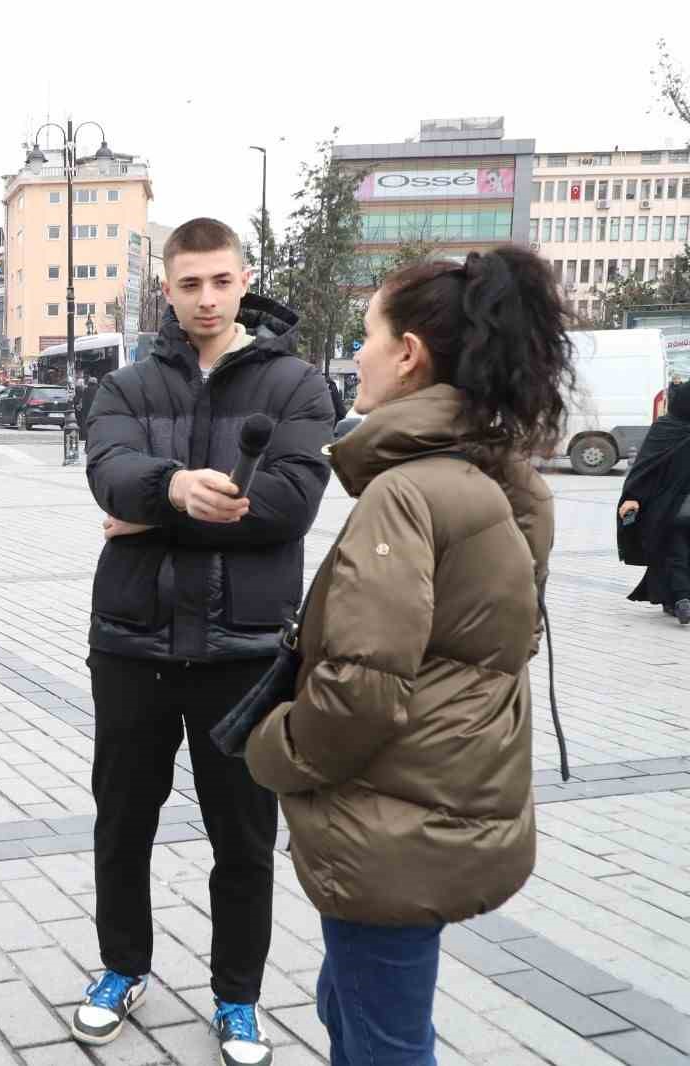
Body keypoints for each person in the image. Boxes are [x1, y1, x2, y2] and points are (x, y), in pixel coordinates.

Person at [243, 247, 567, 1066]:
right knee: (353, 1004)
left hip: (395, 820)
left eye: (366, 336)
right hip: (448, 794)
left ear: (409, 355)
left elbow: (360, 691)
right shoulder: (504, 473)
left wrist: (273, 747)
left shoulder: (407, 491)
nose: (356, 355)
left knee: (385, 1038)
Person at [75, 218, 334, 1063]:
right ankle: (123, 966)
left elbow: (292, 504)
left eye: (221, 281)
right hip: (132, 645)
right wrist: (170, 485)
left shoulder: (297, 384)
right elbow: (108, 473)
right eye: (189, 284)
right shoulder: (128, 385)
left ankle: (238, 997)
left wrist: (155, 516)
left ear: (244, 278)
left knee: (243, 836)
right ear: (168, 286)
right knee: (122, 821)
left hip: (246, 652)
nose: (206, 299)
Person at [619, 382, 690, 624]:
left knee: (673, 551)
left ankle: (680, 599)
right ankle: (680, 599)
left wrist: (633, 497)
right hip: (676, 508)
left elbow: (644, 468)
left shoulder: (665, 429)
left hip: (665, 510)